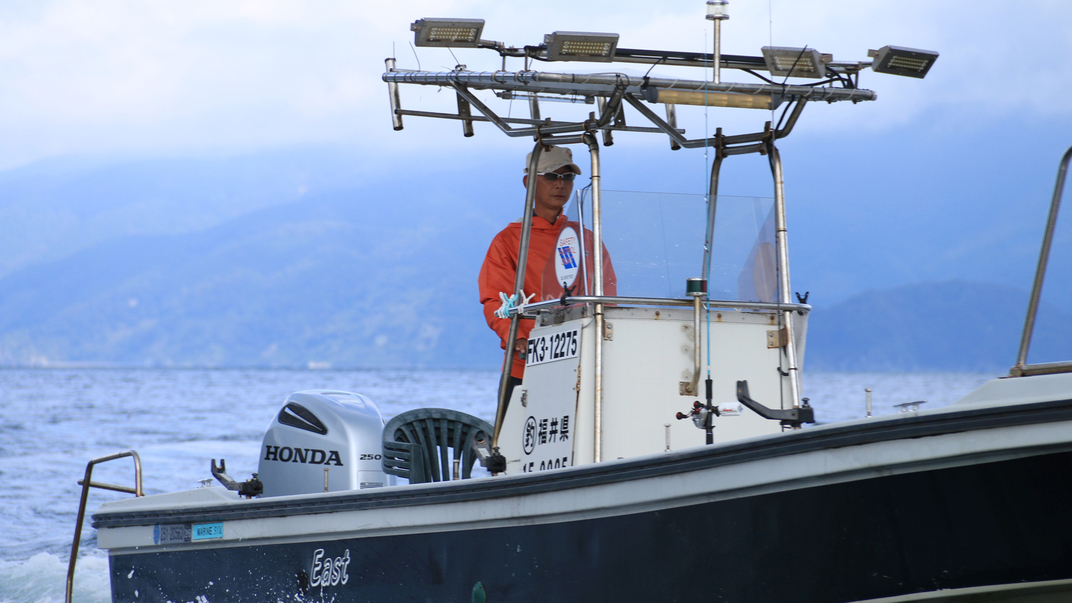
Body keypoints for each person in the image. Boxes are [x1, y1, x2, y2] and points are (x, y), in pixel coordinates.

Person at [478, 145, 616, 406]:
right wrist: (515, 336)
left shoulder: (586, 237)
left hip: (582, 360)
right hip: (526, 362)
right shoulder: (508, 240)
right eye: (552, 176)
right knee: (514, 444)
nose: (560, 185)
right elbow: (494, 301)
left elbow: (607, 297)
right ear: (529, 182)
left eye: (568, 177)